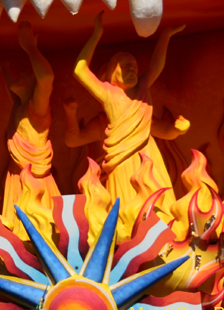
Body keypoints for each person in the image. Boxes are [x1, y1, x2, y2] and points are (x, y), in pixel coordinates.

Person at [71, 12, 187, 213]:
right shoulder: (108, 93)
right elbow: (80, 70)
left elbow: (156, 65)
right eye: (124, 67)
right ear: (111, 74)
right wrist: (96, 34)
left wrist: (165, 36)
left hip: (149, 156)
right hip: (122, 160)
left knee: (157, 203)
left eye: (133, 67)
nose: (131, 70)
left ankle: (162, 232)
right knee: (127, 206)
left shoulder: (143, 88)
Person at [0, 22, 61, 225]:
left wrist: (30, 47)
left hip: (35, 179)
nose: (19, 75)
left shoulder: (37, 110)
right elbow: (11, 94)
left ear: (33, 87)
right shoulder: (19, 107)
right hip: (18, 176)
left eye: (25, 75)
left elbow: (46, 78)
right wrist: (4, 68)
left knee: (37, 228)